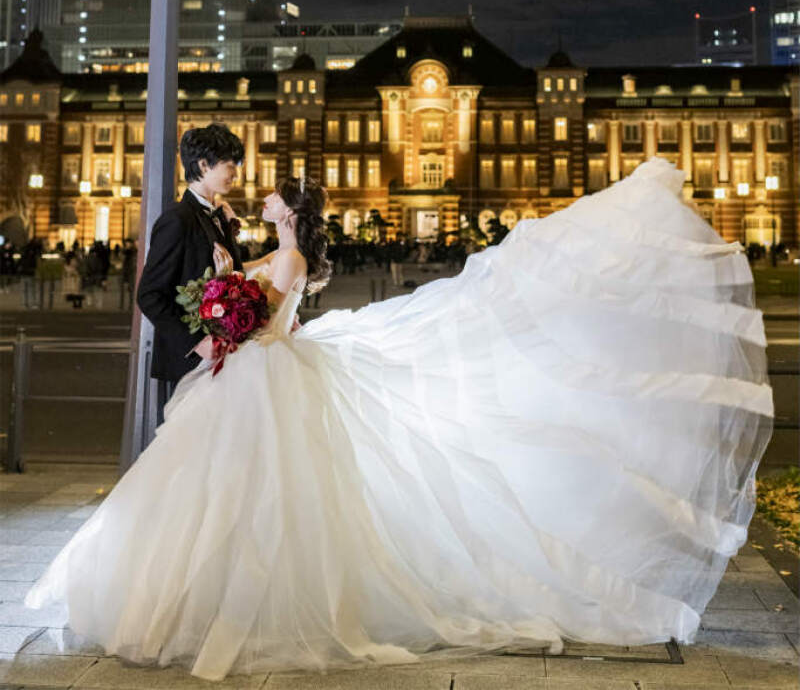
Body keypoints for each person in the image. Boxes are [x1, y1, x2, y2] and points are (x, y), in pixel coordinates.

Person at [25, 159, 773, 680]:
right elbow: (250, 308)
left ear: (288, 213)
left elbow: (264, 320)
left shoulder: (282, 257)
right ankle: (208, 591)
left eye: (275, 200)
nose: (263, 200)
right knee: (240, 494)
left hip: (260, 374)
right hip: (253, 374)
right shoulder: (274, 250)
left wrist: (227, 317)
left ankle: (219, 597)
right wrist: (226, 310)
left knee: (244, 494)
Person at [135, 123, 244, 425]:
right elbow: (149, 294)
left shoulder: (217, 216)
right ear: (203, 165)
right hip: (191, 359)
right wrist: (197, 342)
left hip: (221, 354)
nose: (235, 172)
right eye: (229, 164)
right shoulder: (177, 220)